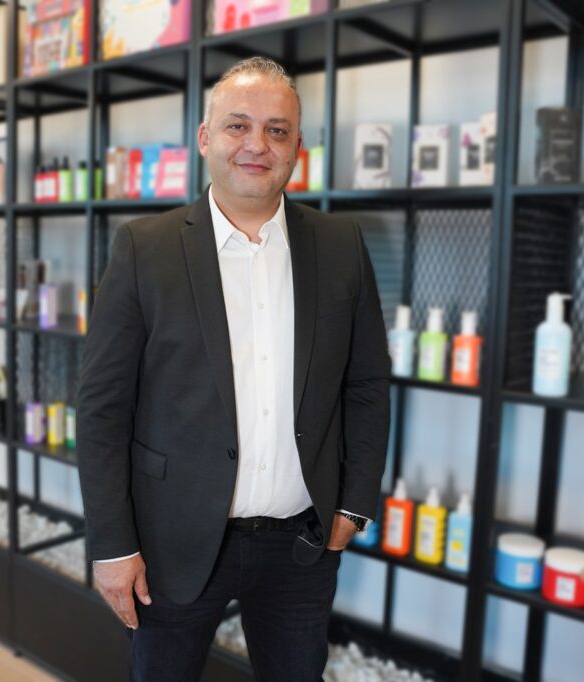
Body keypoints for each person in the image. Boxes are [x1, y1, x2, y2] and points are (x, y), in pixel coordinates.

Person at [78, 56, 391, 681]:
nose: (257, 144)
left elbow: (366, 384)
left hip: (301, 543)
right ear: (205, 138)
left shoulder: (341, 246)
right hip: (173, 540)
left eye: (277, 130)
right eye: (238, 125)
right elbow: (102, 407)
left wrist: (355, 503)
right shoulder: (145, 248)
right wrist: (113, 545)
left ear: (297, 148)